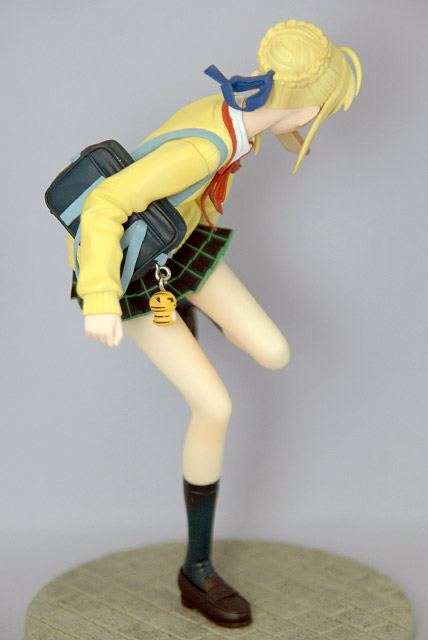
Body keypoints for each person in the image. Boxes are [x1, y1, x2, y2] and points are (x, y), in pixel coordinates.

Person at [69, 20, 361, 627]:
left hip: (179, 242)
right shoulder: (206, 145)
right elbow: (103, 205)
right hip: (130, 268)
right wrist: (99, 297)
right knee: (215, 407)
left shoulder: (237, 112)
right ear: (307, 108)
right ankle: (196, 569)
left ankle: (185, 307)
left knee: (274, 351)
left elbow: (211, 170)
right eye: (320, 114)